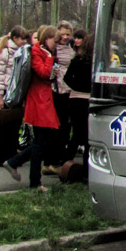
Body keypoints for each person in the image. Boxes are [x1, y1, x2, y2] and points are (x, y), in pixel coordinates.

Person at [2, 25, 60, 192]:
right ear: (46, 39)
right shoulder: (37, 52)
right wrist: (49, 58)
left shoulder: (43, 52)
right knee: (40, 142)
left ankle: (15, 163)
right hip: (38, 101)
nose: (55, 44)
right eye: (54, 41)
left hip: (44, 100)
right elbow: (42, 72)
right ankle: (34, 181)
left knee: (41, 142)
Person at [0, 25, 30, 166]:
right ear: (15, 38)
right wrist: (0, 96)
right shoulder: (6, 52)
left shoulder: (20, 51)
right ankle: (1, 157)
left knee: (14, 126)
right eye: (22, 38)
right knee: (5, 126)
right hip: (7, 92)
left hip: (16, 93)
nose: (24, 41)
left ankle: (11, 156)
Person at [44, 20, 74, 175]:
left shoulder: (71, 47)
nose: (65, 37)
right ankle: (50, 160)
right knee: (55, 126)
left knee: (65, 126)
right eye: (62, 34)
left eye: (68, 34)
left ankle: (60, 157)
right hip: (56, 89)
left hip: (68, 89)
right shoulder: (54, 49)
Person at [63, 30, 93, 168]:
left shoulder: (77, 60)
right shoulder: (95, 64)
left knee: (76, 133)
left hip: (75, 98)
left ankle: (66, 161)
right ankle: (87, 167)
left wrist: (76, 87)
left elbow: (67, 78)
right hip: (88, 99)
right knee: (87, 136)